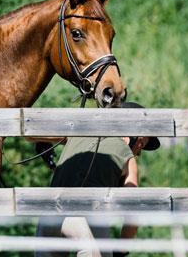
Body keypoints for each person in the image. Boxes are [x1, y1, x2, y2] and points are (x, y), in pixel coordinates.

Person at [33, 102, 161, 257]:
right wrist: (122, 250)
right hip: (82, 218)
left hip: (47, 215)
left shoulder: (80, 131)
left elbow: (29, 133)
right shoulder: (129, 159)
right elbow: (132, 211)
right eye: (142, 144)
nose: (139, 152)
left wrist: (45, 143)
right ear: (138, 139)